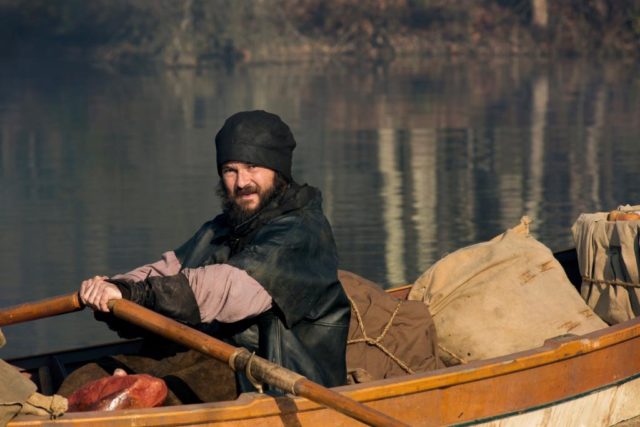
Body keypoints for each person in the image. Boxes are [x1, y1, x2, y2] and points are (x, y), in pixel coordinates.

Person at [77, 110, 351, 395]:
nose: (241, 181)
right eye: (230, 170)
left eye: (252, 167)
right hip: (215, 356)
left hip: (275, 380)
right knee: (87, 376)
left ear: (278, 170)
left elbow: (230, 288)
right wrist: (115, 286)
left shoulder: (302, 231)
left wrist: (137, 295)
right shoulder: (223, 227)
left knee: (152, 394)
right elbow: (169, 269)